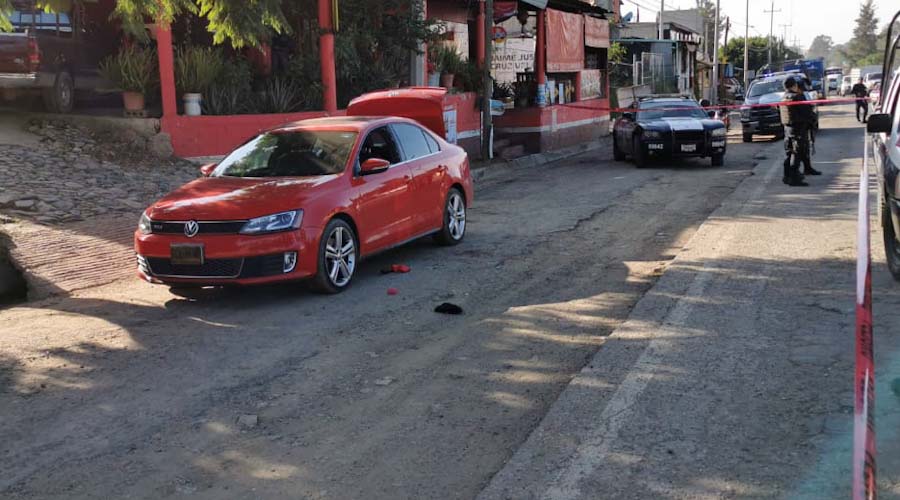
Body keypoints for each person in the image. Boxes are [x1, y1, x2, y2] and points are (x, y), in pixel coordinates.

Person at [779, 76, 817, 186]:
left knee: (790, 154)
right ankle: (794, 178)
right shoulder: (797, 97)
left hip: (788, 130)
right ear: (794, 85)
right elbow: (807, 112)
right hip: (798, 129)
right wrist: (812, 120)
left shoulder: (784, 97)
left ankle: (787, 176)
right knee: (797, 154)